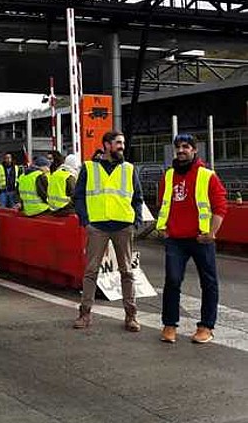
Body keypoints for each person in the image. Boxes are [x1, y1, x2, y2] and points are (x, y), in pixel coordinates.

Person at [156, 134, 228, 344]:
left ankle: (206, 326)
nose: (181, 150)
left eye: (186, 147)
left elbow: (220, 206)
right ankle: (169, 325)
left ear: (195, 150)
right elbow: (162, 203)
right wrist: (163, 229)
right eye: (177, 147)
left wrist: (212, 233)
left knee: (209, 283)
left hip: (201, 239)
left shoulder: (207, 175)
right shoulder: (168, 176)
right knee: (172, 281)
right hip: (175, 240)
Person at [73, 130, 144, 331]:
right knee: (91, 271)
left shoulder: (129, 169)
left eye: (123, 143)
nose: (122, 146)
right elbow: (78, 197)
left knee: (127, 272)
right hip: (97, 226)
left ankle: (131, 316)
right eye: (118, 143)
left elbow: (137, 197)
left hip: (123, 226)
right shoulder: (89, 168)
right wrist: (85, 220)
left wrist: (135, 220)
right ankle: (85, 315)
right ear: (106, 145)